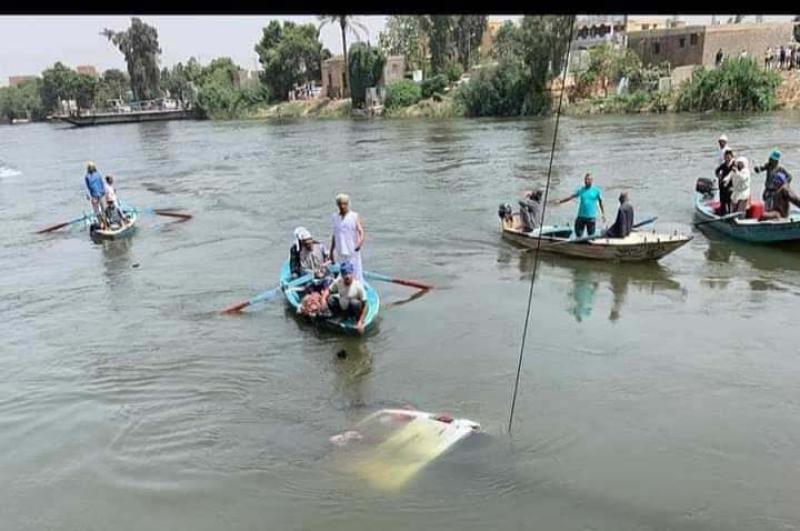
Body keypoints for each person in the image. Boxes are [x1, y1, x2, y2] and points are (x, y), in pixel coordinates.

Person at [556, 173, 606, 238]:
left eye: (588, 179)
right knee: (578, 236)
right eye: (585, 179)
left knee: (591, 237)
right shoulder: (581, 190)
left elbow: (601, 202)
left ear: (591, 180)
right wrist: (560, 201)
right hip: (581, 217)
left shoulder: (596, 191)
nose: (586, 181)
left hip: (591, 218)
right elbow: (571, 197)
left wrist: (603, 214)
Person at [324, 261, 367, 333]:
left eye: (349, 273)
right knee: (330, 299)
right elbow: (328, 290)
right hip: (343, 307)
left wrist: (360, 321)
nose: (347, 276)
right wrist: (323, 300)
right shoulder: (339, 282)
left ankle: (355, 319)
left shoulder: (358, 286)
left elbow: (366, 305)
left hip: (354, 310)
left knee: (354, 303)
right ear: (342, 275)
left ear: (352, 274)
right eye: (345, 274)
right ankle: (340, 316)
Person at [330, 193, 365, 282]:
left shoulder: (354, 216)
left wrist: (360, 243)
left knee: (355, 272)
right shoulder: (335, 217)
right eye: (340, 204)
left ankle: (358, 289)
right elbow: (334, 234)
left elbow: (361, 231)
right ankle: (345, 290)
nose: (342, 206)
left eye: (344, 204)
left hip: (352, 249)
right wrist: (331, 251)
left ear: (347, 204)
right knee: (344, 271)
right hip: (340, 250)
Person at [289, 226, 332, 296]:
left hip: (322, 271)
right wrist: (314, 274)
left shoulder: (320, 246)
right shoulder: (299, 251)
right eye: (306, 244)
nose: (309, 246)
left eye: (310, 243)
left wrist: (325, 264)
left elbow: (329, 258)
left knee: (328, 280)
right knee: (304, 282)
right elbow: (303, 268)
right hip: (308, 274)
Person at [83, 161, 108, 229]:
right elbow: (87, 186)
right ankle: (101, 223)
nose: (90, 168)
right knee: (96, 211)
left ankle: (106, 222)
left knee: (104, 209)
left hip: (101, 194)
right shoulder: (87, 177)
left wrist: (104, 192)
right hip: (93, 195)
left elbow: (102, 183)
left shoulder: (98, 174)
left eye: (91, 167)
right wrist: (88, 195)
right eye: (89, 167)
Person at [715, 147, 735, 215]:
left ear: (732, 156)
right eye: (726, 157)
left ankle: (730, 213)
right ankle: (723, 212)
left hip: (730, 185)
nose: (727, 158)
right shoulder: (723, 164)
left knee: (730, 200)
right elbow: (717, 170)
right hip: (722, 185)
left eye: (729, 157)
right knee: (722, 200)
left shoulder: (734, 164)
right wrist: (719, 176)